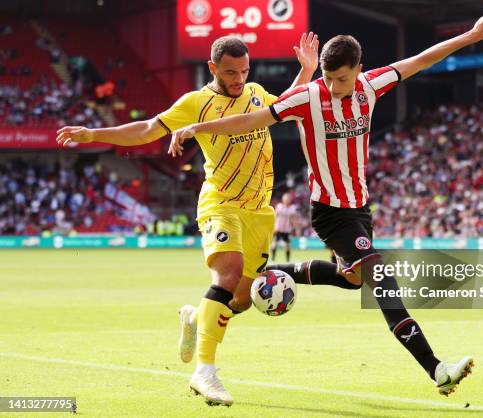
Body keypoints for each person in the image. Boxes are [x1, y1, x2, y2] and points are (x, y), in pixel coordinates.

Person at [168, 6, 483, 397]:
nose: (333, 85)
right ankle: (437, 369)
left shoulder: (373, 86)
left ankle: (240, 289)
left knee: (351, 277)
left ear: (358, 70)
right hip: (330, 212)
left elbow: (421, 59)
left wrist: (471, 36)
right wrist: (197, 127)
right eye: (327, 77)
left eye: (341, 78)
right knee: (380, 279)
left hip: (359, 208)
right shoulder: (309, 97)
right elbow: (251, 120)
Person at [56, 33, 319, 407]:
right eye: (230, 72)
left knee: (242, 300)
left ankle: (196, 318)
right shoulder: (196, 103)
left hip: (259, 210)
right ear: (212, 68)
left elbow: (285, 107)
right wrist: (94, 133)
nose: (239, 79)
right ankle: (205, 373)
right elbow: (147, 128)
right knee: (227, 277)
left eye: (244, 70)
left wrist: (306, 70)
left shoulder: (257, 92)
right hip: (221, 202)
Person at [271, 192, 298, 261]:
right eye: (286, 199)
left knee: (287, 245)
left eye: (288, 199)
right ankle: (273, 259)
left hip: (287, 230)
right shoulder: (279, 206)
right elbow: (275, 216)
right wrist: (273, 227)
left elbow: (293, 219)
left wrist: (296, 228)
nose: (287, 200)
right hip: (278, 229)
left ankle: (288, 260)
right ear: (283, 199)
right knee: (275, 244)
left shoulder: (292, 208)